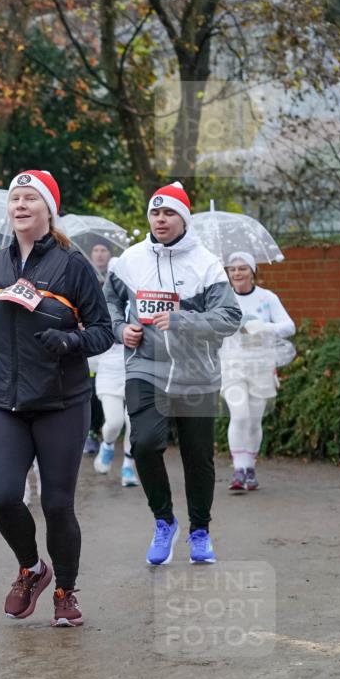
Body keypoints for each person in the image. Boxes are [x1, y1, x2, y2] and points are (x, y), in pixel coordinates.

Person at [0, 170, 113, 626]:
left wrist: (71, 342)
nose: (21, 206)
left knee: (56, 504)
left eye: (31, 199)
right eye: (15, 199)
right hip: (6, 399)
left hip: (61, 401)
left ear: (49, 209)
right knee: (4, 497)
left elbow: (103, 331)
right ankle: (31, 568)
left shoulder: (73, 264)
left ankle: (65, 590)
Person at [105, 181, 241, 565]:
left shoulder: (206, 263)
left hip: (197, 373)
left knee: (198, 457)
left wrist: (182, 320)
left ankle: (200, 531)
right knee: (145, 444)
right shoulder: (129, 261)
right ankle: (164, 521)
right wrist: (120, 329)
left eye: (169, 213)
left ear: (184, 218)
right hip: (145, 369)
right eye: (155, 212)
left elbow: (230, 316)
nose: (161, 219)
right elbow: (109, 303)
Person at [220, 250, 295, 491]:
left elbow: (289, 327)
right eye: (232, 269)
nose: (237, 273)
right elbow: (210, 327)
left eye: (242, 268)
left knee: (253, 421)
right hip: (232, 365)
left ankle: (249, 467)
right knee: (239, 415)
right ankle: (238, 470)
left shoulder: (267, 298)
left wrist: (263, 327)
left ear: (253, 271)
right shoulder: (223, 298)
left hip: (261, 366)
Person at [90, 340, 139, 487]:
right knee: (114, 422)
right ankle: (107, 445)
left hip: (137, 367)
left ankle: (128, 466)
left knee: (133, 421)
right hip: (108, 369)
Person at [82, 241, 110, 457]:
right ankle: (90, 432)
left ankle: (104, 430)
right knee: (91, 390)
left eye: (103, 251)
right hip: (90, 346)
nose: (100, 255)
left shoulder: (114, 279)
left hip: (110, 345)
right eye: (96, 250)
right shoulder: (84, 276)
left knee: (105, 393)